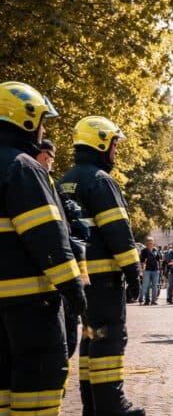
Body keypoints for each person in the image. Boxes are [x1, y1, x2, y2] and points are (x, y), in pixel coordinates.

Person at [0, 81, 87, 416]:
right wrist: (71, 285)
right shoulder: (23, 166)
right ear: (26, 118)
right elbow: (47, 233)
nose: (43, 131)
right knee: (43, 365)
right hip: (29, 295)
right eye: (41, 122)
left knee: (3, 370)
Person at [60, 115, 145, 416]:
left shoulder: (64, 180)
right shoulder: (101, 181)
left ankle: (91, 402)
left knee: (92, 335)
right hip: (105, 276)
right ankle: (110, 402)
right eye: (113, 145)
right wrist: (133, 272)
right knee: (109, 337)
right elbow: (118, 232)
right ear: (100, 143)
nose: (115, 151)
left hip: (79, 276)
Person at [36, 139, 90, 360]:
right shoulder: (36, 181)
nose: (51, 162)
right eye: (50, 157)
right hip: (49, 284)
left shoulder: (52, 184)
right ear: (44, 155)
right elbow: (55, 238)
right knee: (62, 345)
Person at [139, 237, 161, 305]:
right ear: (146, 243)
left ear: (153, 242)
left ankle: (153, 301)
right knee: (146, 285)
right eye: (149, 242)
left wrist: (159, 269)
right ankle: (147, 300)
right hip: (147, 270)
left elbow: (159, 260)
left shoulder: (156, 250)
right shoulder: (144, 251)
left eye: (151, 242)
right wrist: (143, 270)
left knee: (155, 286)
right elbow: (142, 261)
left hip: (155, 270)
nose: (150, 243)